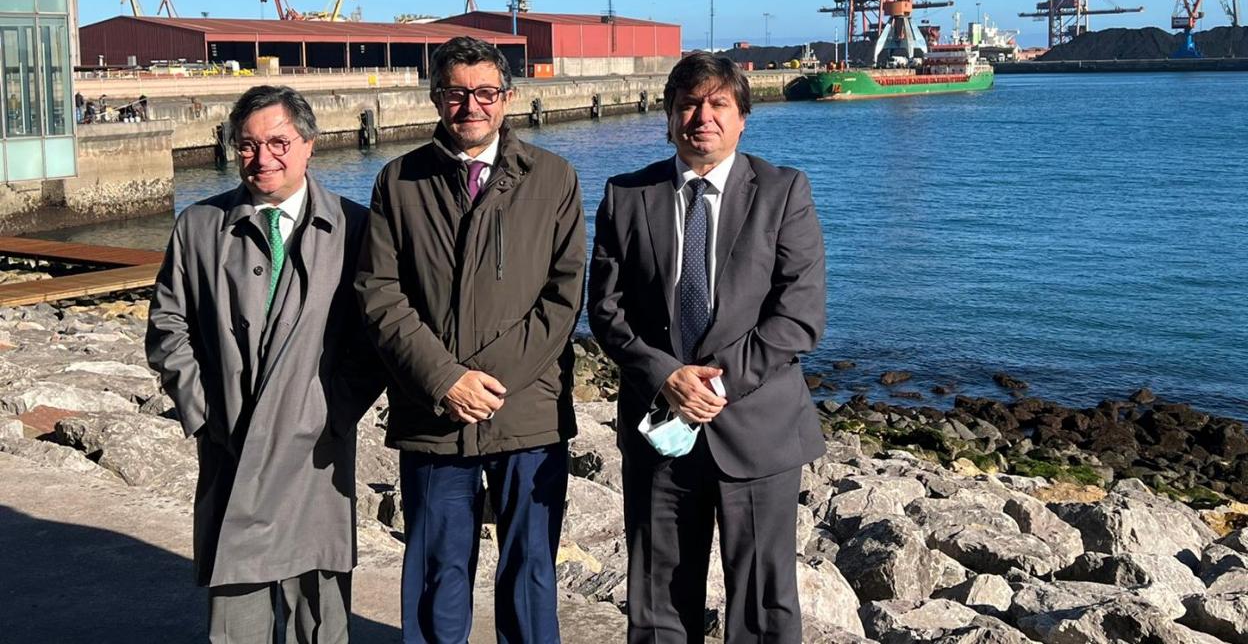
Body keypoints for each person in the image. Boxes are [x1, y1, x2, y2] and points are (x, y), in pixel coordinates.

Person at [589, 52, 827, 643]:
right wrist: (669, 376)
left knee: (763, 603)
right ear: (669, 118)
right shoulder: (626, 195)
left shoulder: (782, 192)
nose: (703, 116)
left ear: (743, 116)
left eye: (718, 103)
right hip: (659, 425)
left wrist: (714, 385)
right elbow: (605, 310)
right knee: (658, 596)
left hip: (756, 429)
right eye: (689, 104)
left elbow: (799, 315)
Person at [356, 36, 586, 644]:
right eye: (456, 93)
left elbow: (563, 298)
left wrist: (486, 380)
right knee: (436, 570)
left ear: (508, 99)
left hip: (527, 411)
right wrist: (444, 380)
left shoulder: (554, 178)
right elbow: (379, 293)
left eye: (485, 92)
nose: (471, 106)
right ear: (436, 98)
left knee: (531, 569)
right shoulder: (398, 182)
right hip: (433, 413)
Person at [147, 85, 383, 644]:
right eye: (247, 145)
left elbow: (376, 336)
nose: (263, 158)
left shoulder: (356, 228)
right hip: (231, 441)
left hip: (317, 450)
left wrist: (335, 409)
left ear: (308, 145)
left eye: (279, 142)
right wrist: (203, 413)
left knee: (320, 611)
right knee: (237, 613)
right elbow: (167, 324)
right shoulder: (199, 226)